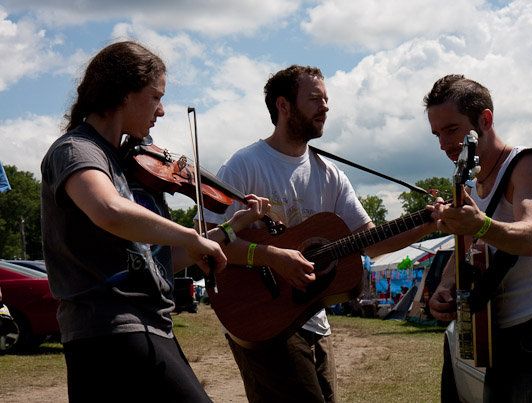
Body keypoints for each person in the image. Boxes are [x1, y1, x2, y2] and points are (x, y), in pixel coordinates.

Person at [40, 41, 270, 403]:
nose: (161, 111)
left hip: (144, 323)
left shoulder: (127, 164)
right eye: (155, 97)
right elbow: (109, 210)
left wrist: (230, 229)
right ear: (124, 93)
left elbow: (160, 259)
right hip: (110, 325)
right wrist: (189, 236)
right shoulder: (76, 151)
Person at [202, 65, 436, 403]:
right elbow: (206, 239)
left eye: (326, 99)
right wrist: (270, 255)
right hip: (260, 315)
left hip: (311, 317)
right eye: (314, 99)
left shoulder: (331, 176)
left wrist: (427, 224)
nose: (325, 106)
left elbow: (370, 242)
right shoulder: (245, 165)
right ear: (283, 106)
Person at [425, 74, 532, 402]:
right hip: (500, 336)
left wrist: (480, 224)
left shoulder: (527, 165)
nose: (443, 144)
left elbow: (530, 236)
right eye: (437, 134)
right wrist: (444, 288)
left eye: (451, 129)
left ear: (485, 120)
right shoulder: (471, 186)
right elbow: (466, 247)